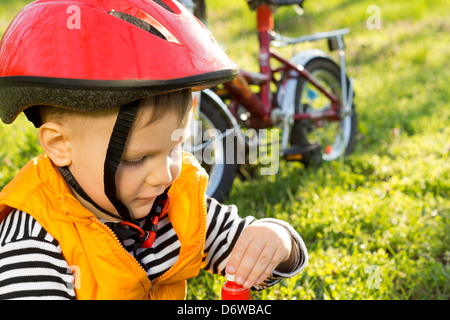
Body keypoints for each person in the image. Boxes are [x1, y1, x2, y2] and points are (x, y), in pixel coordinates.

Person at [0, 0, 307, 300]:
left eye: (176, 148)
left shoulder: (172, 206)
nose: (164, 176)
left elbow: (251, 247)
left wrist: (276, 241)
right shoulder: (32, 246)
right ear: (59, 145)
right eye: (138, 159)